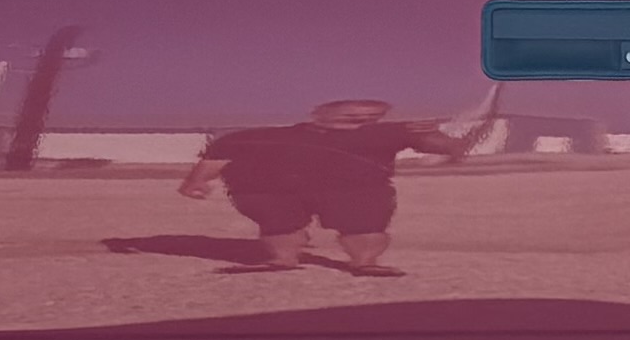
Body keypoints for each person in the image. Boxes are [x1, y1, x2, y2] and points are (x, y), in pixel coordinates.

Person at [180, 94, 489, 274]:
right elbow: (221, 154)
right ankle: (281, 259)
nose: (360, 120)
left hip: (355, 190)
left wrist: (441, 139)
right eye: (352, 115)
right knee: (279, 224)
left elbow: (446, 146)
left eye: (371, 116)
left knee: (364, 224)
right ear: (320, 114)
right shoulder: (264, 136)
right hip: (277, 191)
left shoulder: (390, 133)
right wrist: (197, 181)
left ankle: (365, 263)